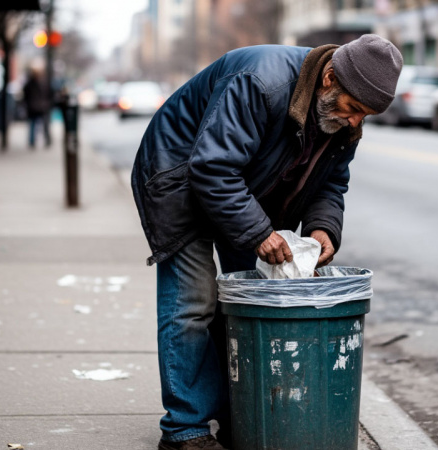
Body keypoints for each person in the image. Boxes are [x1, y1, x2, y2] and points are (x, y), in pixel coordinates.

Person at [131, 35, 402, 450]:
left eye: (365, 116)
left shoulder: (344, 116)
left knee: (248, 305)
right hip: (180, 177)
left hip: (243, 190)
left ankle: (237, 415)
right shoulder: (260, 82)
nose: (355, 122)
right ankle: (185, 430)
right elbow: (213, 169)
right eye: (353, 110)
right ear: (329, 78)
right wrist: (259, 232)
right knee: (194, 303)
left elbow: (331, 182)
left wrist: (323, 228)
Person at [22, 67, 52, 149]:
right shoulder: (41, 83)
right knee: (41, 125)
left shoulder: (31, 84)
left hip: (35, 107)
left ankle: (34, 142)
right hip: (39, 107)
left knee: (35, 125)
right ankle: (42, 141)